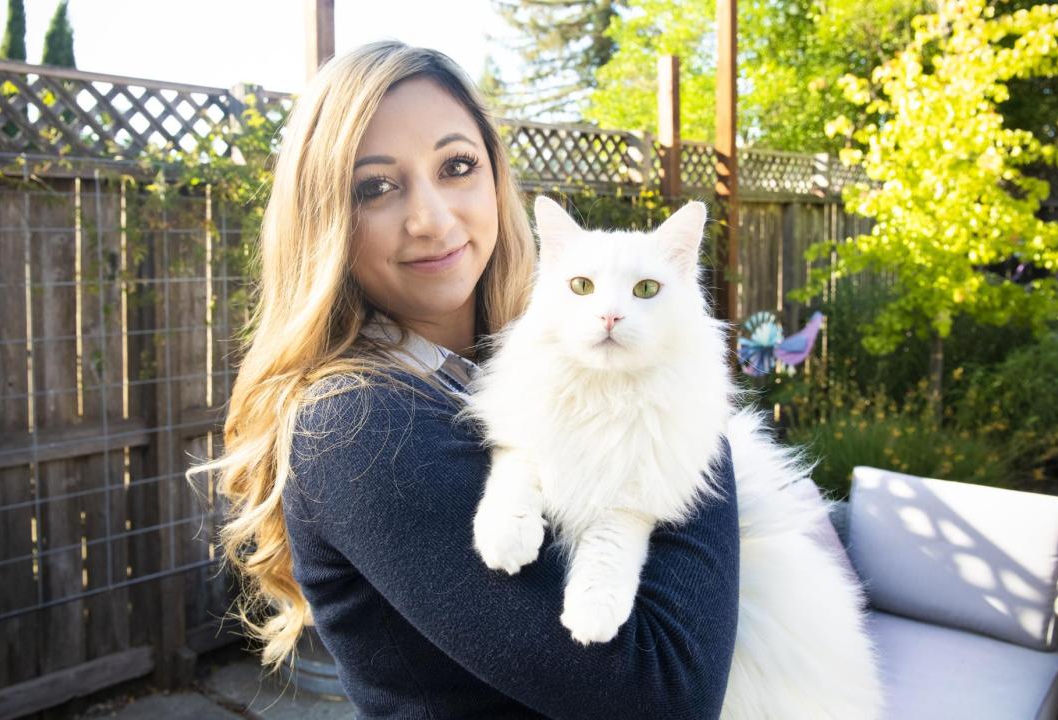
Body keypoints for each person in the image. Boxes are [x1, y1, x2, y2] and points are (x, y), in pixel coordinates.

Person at [190, 41, 740, 720]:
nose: (432, 218)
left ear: (496, 182)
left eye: (456, 166)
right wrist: (685, 400)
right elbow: (664, 698)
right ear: (325, 220)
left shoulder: (486, 369)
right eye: (376, 186)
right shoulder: (358, 425)